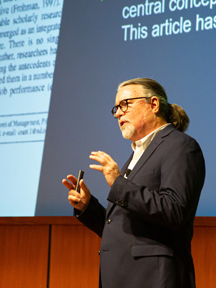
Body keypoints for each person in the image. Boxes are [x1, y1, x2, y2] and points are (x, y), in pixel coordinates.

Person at [62, 78, 206, 288]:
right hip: (122, 277)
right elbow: (124, 228)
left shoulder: (180, 146)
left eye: (125, 104)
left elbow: (174, 210)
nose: (118, 113)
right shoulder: (138, 153)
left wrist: (118, 183)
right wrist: (87, 206)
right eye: (116, 108)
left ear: (154, 104)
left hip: (154, 278)